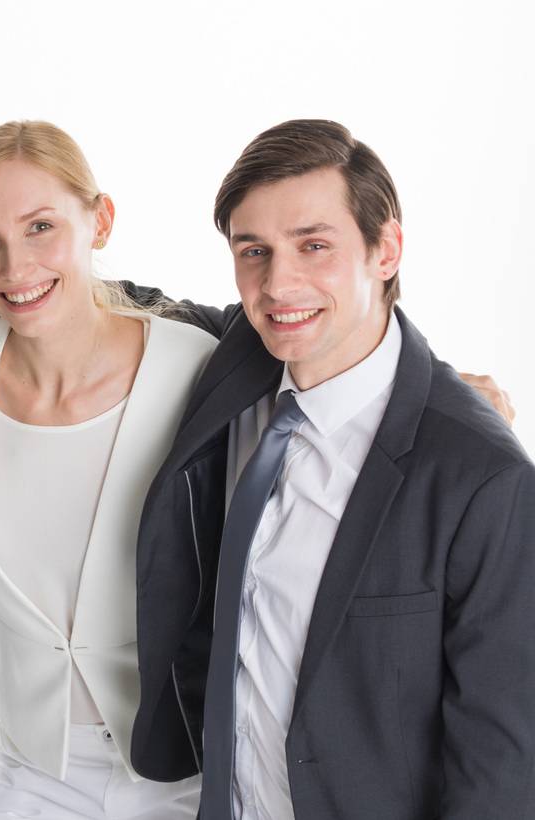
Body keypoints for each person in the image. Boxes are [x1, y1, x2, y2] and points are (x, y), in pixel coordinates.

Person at [125, 119, 535, 820]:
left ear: (386, 249)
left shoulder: (481, 477)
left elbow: (503, 761)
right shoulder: (235, 362)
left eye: (314, 246)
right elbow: (81, 301)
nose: (279, 284)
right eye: (254, 251)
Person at [0, 120, 211, 819]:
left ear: (99, 220)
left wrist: (438, 389)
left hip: (183, 766)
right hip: (34, 768)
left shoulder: (193, 368)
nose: (15, 268)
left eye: (41, 226)